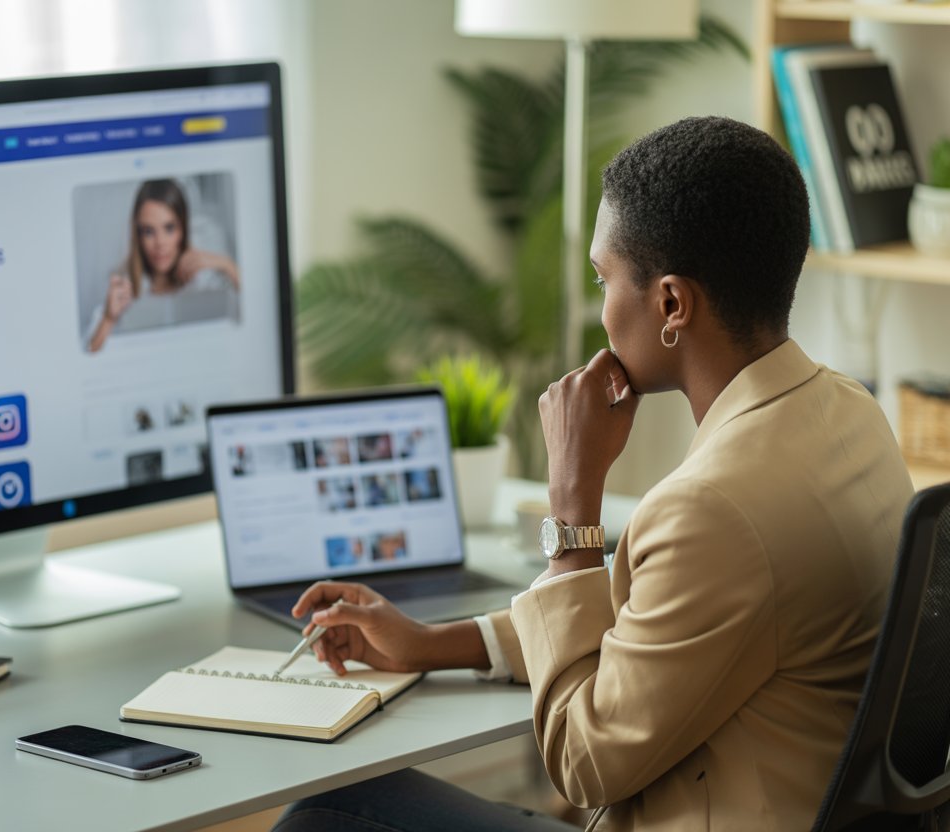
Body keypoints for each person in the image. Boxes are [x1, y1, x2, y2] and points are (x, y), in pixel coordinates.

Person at [274, 117, 914, 831]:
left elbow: (581, 763)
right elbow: (654, 623)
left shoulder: (714, 508)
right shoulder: (851, 414)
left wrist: (573, 502)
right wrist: (431, 644)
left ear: (671, 303)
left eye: (603, 278)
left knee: (327, 812)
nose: (600, 307)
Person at [87, 178, 240, 352]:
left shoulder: (204, 277)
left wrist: (226, 264)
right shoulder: (124, 288)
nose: (160, 243)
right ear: (138, 236)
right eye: (148, 231)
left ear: (183, 229)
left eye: (169, 228)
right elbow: (90, 353)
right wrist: (108, 319)